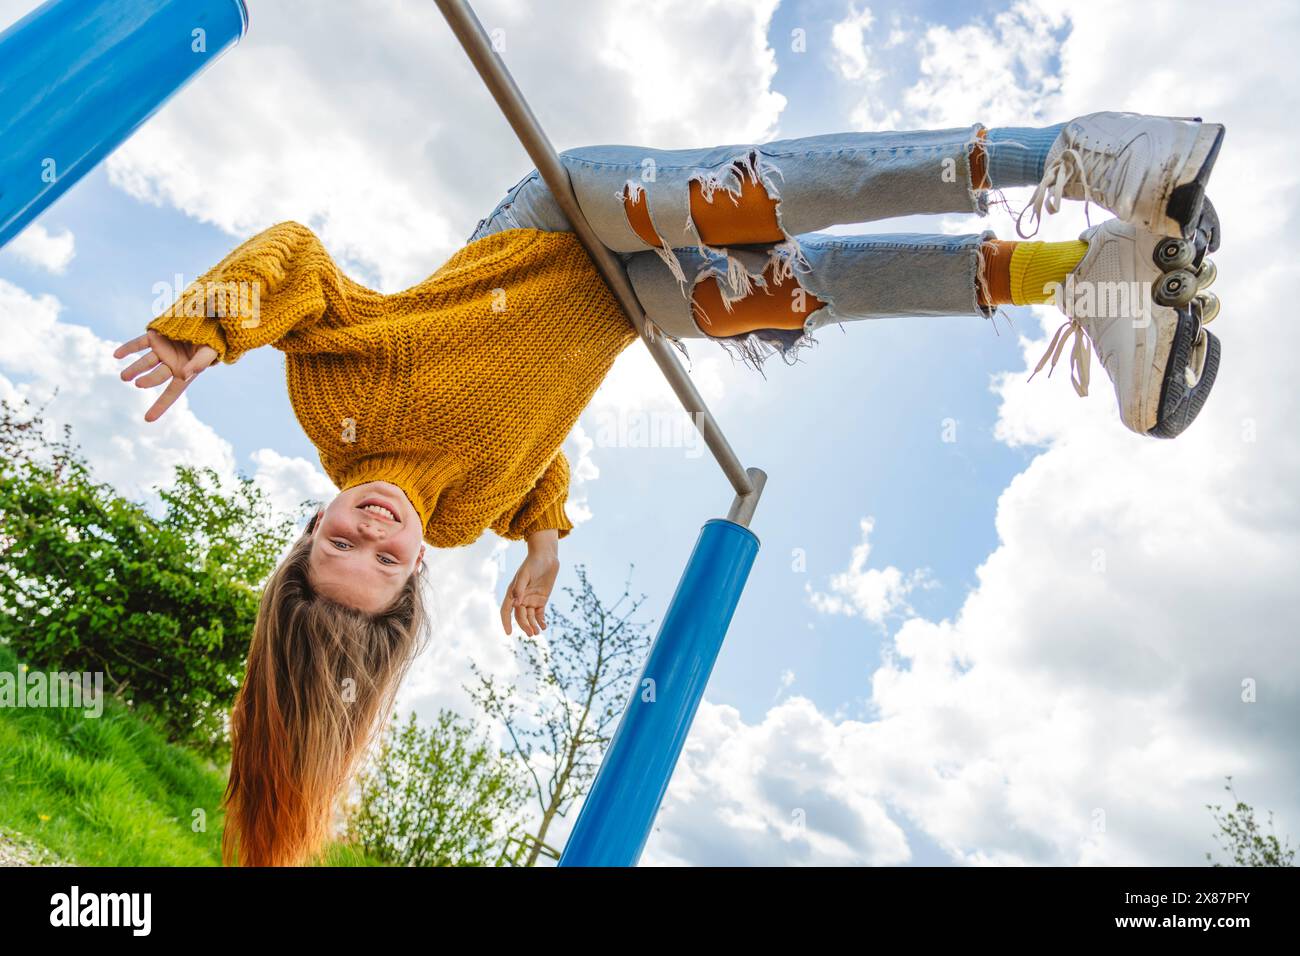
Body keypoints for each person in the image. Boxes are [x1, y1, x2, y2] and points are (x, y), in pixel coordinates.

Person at [112, 111, 1224, 866]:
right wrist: (541, 543)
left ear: (309, 528)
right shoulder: (462, 514)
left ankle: (1081, 155)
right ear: (413, 579)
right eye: (386, 564)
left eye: (339, 543)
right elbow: (530, 458)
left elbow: (300, 258)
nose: (377, 530)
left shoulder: (333, 399)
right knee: (790, 295)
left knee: (751, 200)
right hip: (623, 302)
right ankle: (1087, 275)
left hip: (554, 220)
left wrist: (206, 325)